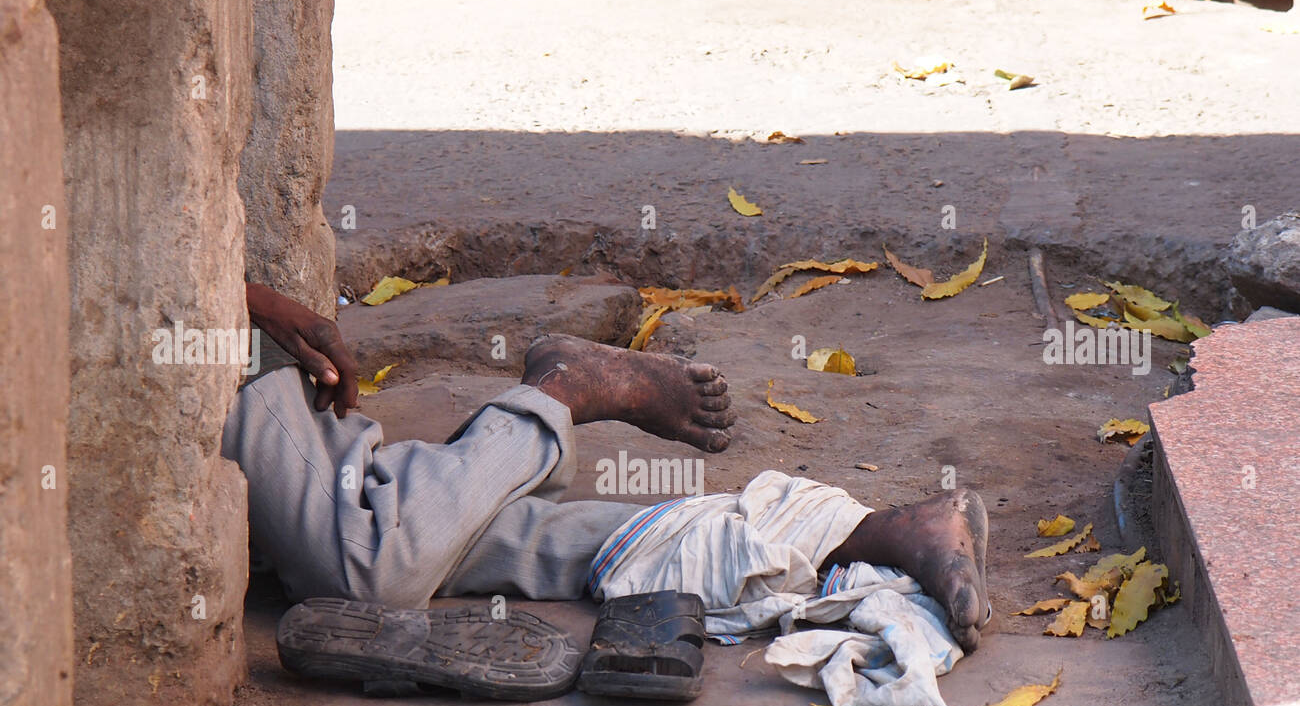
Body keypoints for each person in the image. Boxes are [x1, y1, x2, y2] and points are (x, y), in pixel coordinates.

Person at [228, 283, 990, 654]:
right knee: (505, 539)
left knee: (372, 563)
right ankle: (871, 532)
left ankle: (559, 389)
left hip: (226, 373)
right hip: (222, 368)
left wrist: (243, 297)